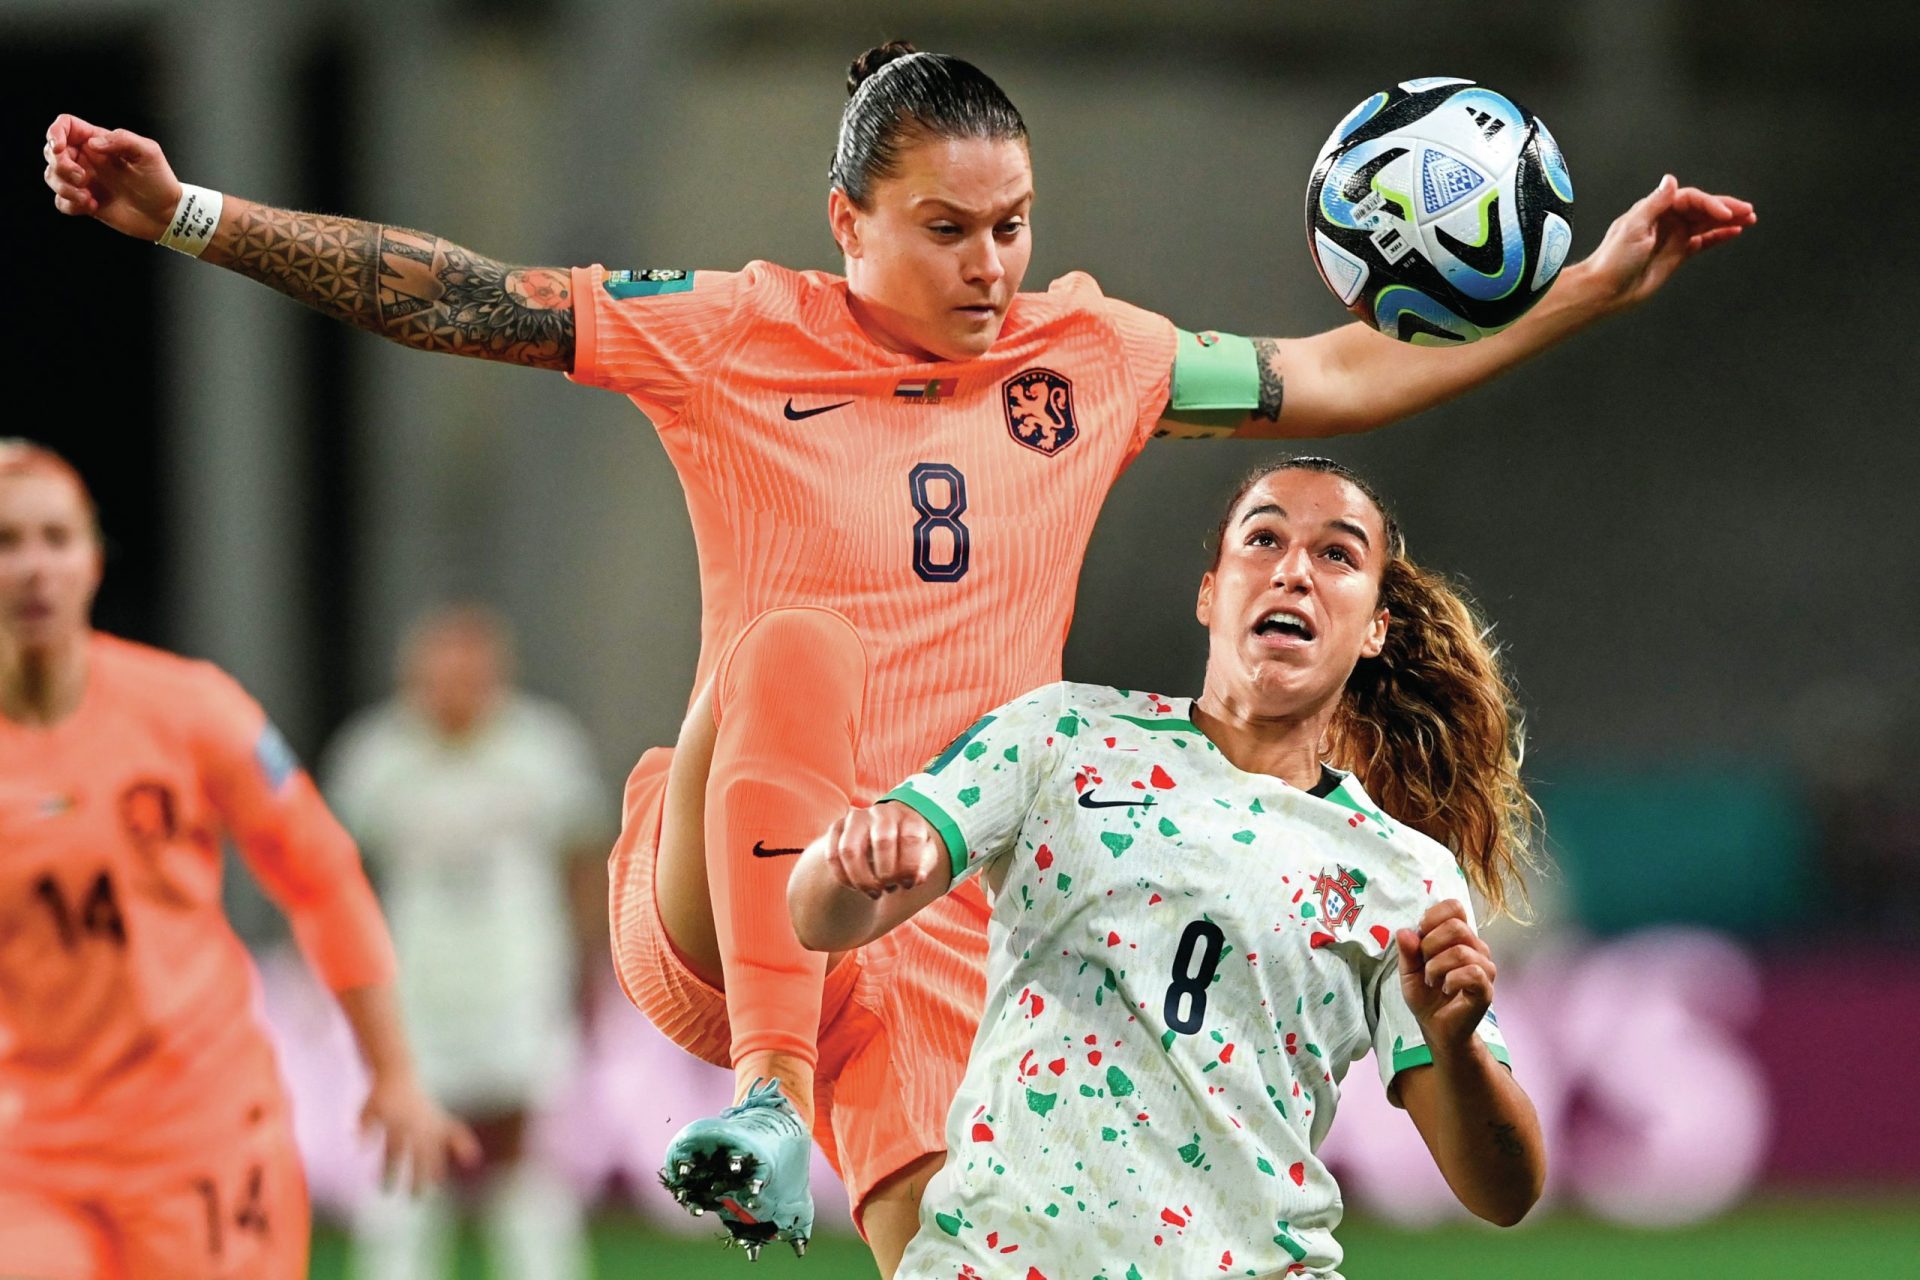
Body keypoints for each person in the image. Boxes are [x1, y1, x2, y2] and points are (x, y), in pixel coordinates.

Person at [41, 40, 1747, 1272]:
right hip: (720, 894)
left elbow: (1348, 374)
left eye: (1012, 224)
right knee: (794, 646)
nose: (994, 265)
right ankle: (766, 1107)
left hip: (945, 925)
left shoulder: (1097, 358)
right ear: (848, 216)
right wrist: (191, 214)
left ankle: (811, 1132)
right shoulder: (722, 331)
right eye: (950, 227)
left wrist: (1593, 287)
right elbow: (456, 293)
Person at [790, 456, 1543, 1278]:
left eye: (1337, 554)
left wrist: (1455, 1040)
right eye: (1264, 539)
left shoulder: (1402, 872)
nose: (1294, 571)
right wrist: (849, 863)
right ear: (1211, 593)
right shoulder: (1060, 738)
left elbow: (1504, 1194)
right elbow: (821, 919)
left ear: (1374, 629)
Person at [0, 440, 478, 1280]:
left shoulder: (191, 710)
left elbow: (320, 876)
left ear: (94, 560)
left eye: (55, 538)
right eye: (6, 543)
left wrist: (392, 1070)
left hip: (199, 1128)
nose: (34, 567)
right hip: (33, 1144)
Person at [322, 605, 612, 1280]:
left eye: (470, 672)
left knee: (528, 1163)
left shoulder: (542, 750)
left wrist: (589, 963)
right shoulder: (374, 758)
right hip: (412, 990)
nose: (454, 688)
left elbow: (583, 859)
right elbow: (334, 873)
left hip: (518, 981)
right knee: (406, 1155)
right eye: (439, 673)